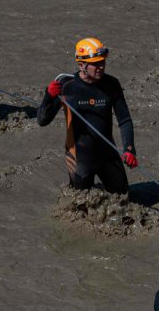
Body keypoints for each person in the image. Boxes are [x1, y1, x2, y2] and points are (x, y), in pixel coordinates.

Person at [37, 37, 138, 194]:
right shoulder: (65, 86)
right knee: (80, 203)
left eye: (102, 62)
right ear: (81, 64)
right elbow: (42, 120)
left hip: (107, 153)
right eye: (95, 63)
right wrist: (48, 97)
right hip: (79, 156)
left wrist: (129, 149)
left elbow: (124, 121)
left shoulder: (112, 84)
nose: (101, 67)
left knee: (124, 197)